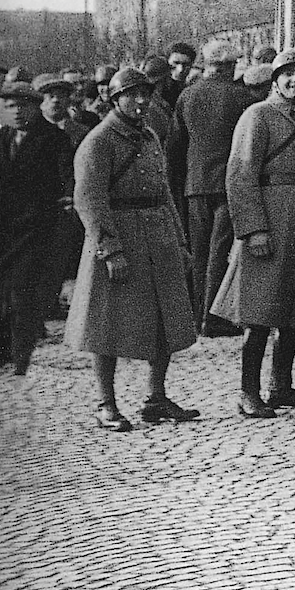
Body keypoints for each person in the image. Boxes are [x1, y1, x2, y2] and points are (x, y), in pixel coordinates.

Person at [211, 53, 295, 418]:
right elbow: (240, 175)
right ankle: (248, 391)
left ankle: (281, 386)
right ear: (275, 80)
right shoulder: (258, 116)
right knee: (260, 309)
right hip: (271, 223)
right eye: (287, 74)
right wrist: (253, 229)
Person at [65, 68, 201, 430]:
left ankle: (156, 398)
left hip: (158, 235)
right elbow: (89, 200)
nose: (141, 102)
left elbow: (165, 192)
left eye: (146, 94)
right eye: (132, 95)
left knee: (164, 317)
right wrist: (110, 250)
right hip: (119, 236)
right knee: (106, 324)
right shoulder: (99, 140)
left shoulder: (150, 135)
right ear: (114, 100)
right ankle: (105, 403)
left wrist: (180, 240)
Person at [172, 38, 251, 334]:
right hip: (228, 185)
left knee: (200, 250)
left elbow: (176, 145)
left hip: (195, 185)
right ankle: (214, 317)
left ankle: (196, 315)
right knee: (221, 251)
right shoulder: (241, 98)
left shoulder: (187, 96)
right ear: (230, 66)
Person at [0, 80, 76, 376]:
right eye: (9, 106)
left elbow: (67, 179)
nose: (17, 112)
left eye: (23, 106)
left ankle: (20, 360)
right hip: (5, 231)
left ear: (36, 106)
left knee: (23, 296)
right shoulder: (2, 138)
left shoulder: (54, 139)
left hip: (38, 232)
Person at [36, 74, 90, 152]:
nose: (56, 100)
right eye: (51, 96)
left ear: (68, 101)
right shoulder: (34, 131)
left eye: (61, 96)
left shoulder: (80, 132)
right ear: (41, 102)